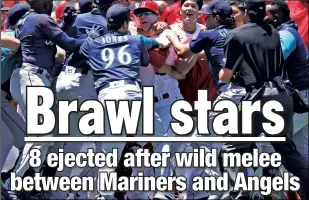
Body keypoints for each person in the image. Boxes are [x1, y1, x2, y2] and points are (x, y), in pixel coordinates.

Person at [71, 3, 168, 200]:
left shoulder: (93, 43)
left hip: (107, 94)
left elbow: (77, 56)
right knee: (162, 141)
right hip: (131, 91)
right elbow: (147, 57)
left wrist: (90, 40)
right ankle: (163, 192)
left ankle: (106, 195)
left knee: (110, 149)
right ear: (125, 23)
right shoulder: (135, 40)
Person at [218, 0, 309, 199]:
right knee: (287, 150)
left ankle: (240, 194)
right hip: (282, 95)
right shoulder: (279, 33)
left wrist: (226, 75)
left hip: (259, 95)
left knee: (232, 147)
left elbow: (225, 75)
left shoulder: (236, 35)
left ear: (246, 13)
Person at [1, 3, 30, 200]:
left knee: (16, 140)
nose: (2, 16)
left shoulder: (13, 34)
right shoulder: (13, 35)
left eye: (3, 13)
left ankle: (7, 183)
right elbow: (16, 45)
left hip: (2, 99)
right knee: (22, 141)